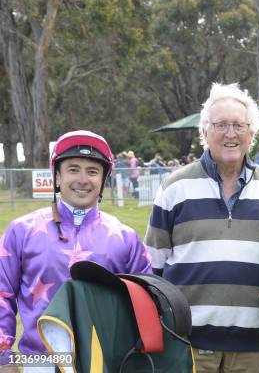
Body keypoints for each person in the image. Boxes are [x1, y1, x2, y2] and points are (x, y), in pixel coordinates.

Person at [144, 83, 259, 373]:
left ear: (252, 133)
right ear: (204, 132)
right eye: (221, 125)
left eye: (238, 125)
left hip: (254, 342)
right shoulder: (174, 187)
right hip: (188, 340)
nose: (230, 133)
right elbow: (154, 268)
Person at [0, 130, 152, 372]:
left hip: (107, 362)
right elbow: (2, 295)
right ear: (57, 177)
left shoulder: (126, 238)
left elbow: (146, 305)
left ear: (103, 179)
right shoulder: (21, 231)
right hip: (39, 363)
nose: (83, 179)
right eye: (73, 169)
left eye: (92, 171)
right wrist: (4, 358)